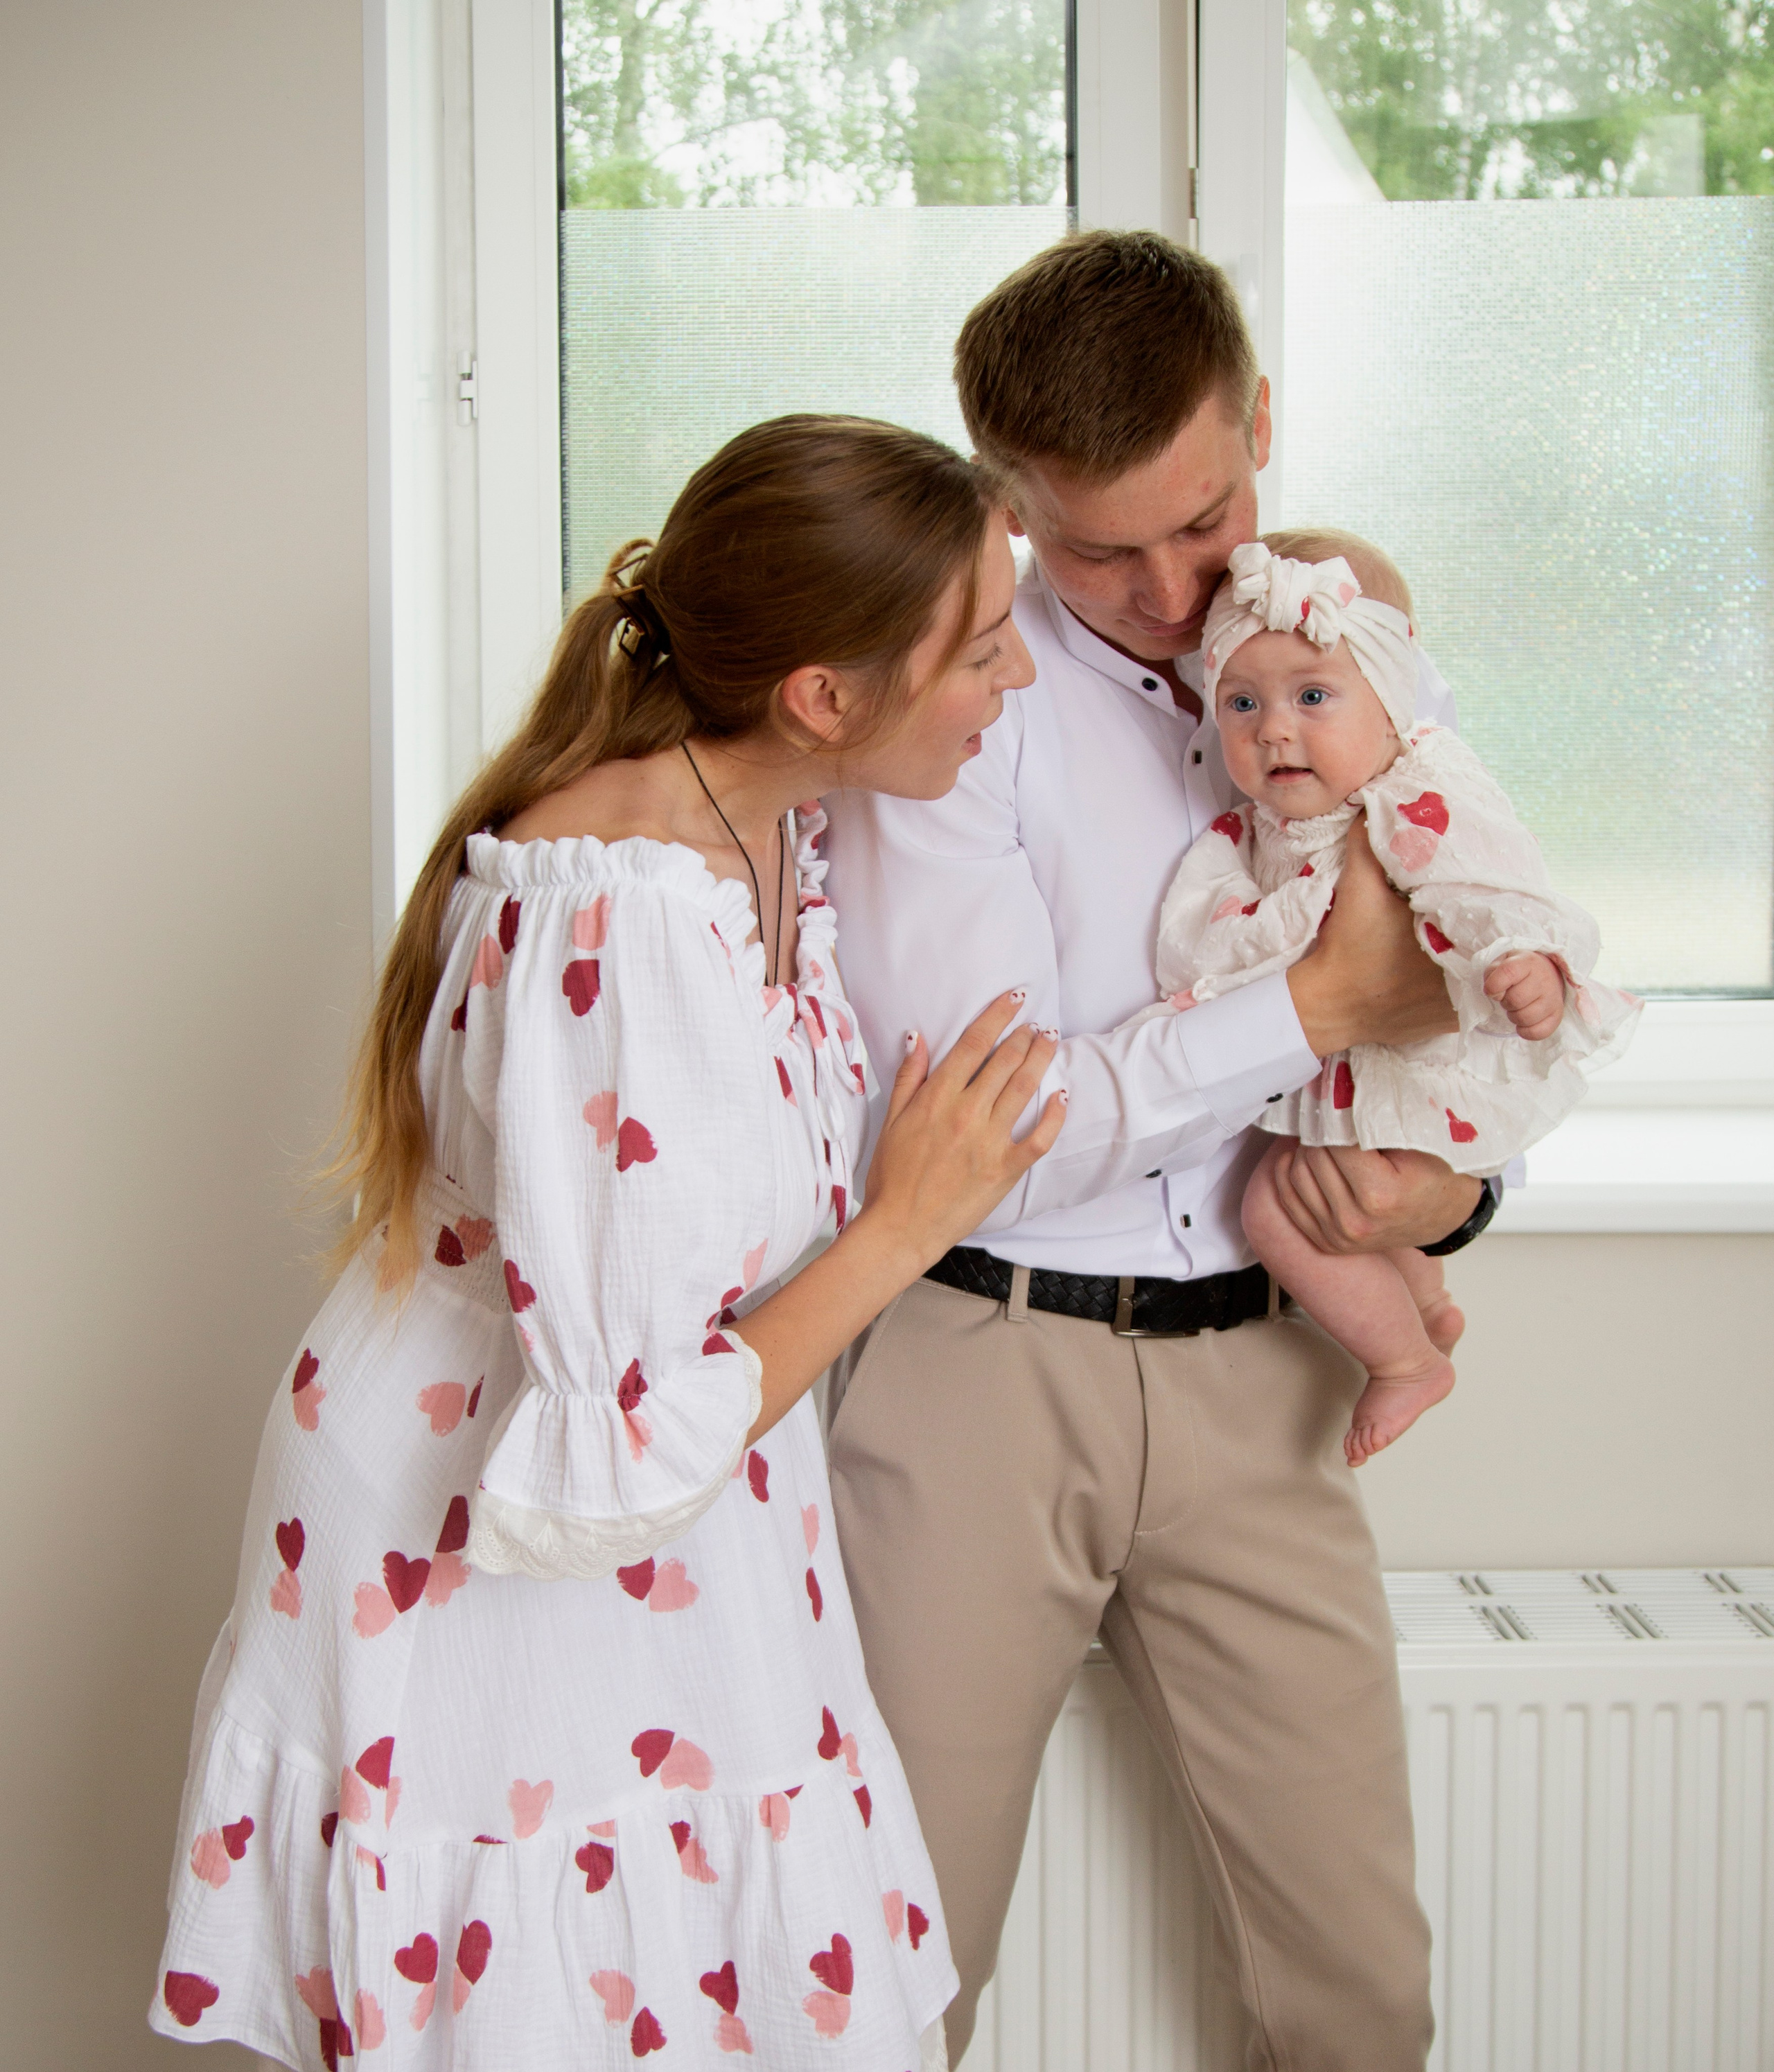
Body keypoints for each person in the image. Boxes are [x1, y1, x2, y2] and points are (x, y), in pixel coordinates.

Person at [148, 415, 1066, 2072]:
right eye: (983, 649)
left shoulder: (771, 823)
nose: (1014, 679)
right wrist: (908, 1221)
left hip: (673, 1525)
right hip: (499, 1527)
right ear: (819, 695)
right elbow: (617, 1449)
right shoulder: (625, 907)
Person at [822, 233, 1499, 2068]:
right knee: (890, 1971)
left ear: (1260, 423)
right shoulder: (954, 709)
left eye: (1204, 518)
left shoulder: (1350, 648)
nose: (1170, 588)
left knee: (1358, 1992)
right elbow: (987, 1142)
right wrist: (1317, 1011)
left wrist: (1456, 1190)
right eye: (1096, 546)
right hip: (982, 1360)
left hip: (1263, 1371)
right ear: (1008, 503)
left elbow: (1471, 954)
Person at [1134, 529, 1638, 1465]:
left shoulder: (1416, 787)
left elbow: (1495, 876)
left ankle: (1406, 1359)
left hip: (1417, 1072)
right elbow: (1199, 926)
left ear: (1393, 694)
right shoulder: (1256, 828)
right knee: (1314, 1189)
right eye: (1242, 702)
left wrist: (1523, 956)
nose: (1274, 728)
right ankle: (1429, 1309)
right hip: (1347, 1072)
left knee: (1274, 1210)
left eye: (1312, 697)